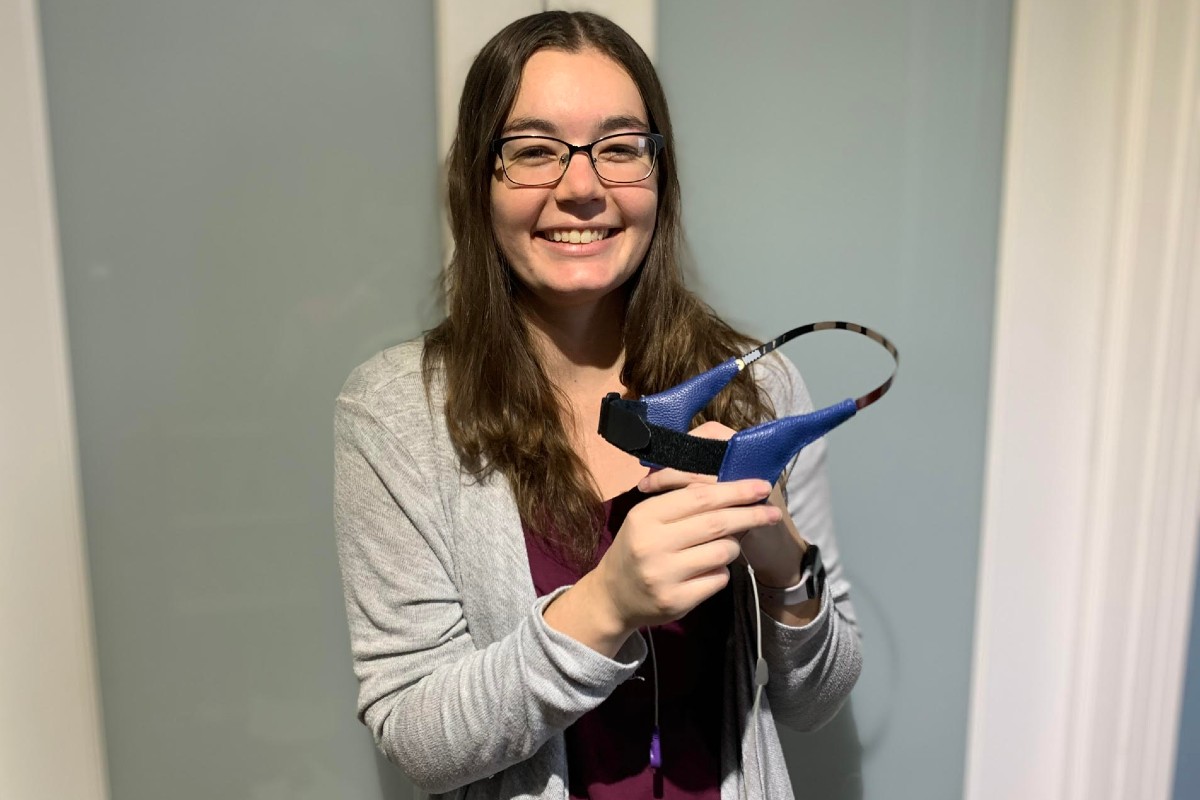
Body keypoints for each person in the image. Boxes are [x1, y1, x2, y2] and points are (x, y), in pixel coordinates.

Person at [334, 10, 861, 799]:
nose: (581, 188)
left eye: (619, 149)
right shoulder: (393, 414)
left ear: (660, 174)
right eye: (534, 151)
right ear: (478, 182)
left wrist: (786, 566)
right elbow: (417, 736)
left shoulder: (762, 387)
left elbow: (817, 698)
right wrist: (605, 607)